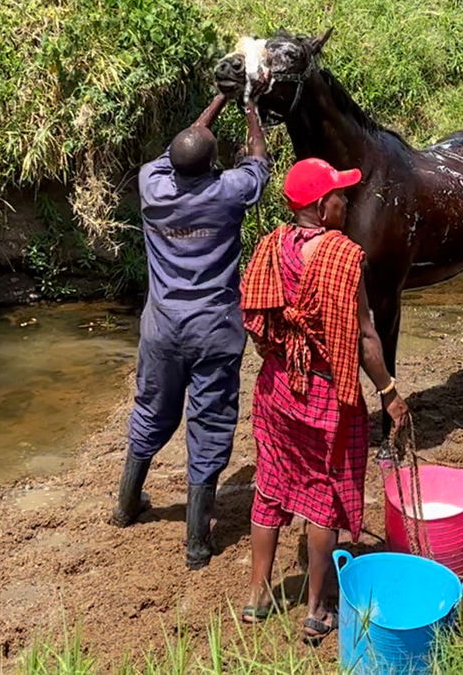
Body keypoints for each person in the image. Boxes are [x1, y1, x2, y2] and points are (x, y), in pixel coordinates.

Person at [237, 158, 412, 644]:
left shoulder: (271, 247)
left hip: (276, 388)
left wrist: (284, 354)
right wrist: (389, 392)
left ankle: (257, 597)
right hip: (324, 395)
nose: (346, 202)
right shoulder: (344, 257)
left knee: (270, 486)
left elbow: (256, 319)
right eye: (339, 196)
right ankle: (317, 609)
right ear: (320, 206)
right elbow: (365, 338)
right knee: (323, 497)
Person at [113, 93, 269, 570]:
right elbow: (259, 161)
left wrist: (216, 99)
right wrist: (248, 107)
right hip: (214, 328)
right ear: (214, 163)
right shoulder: (229, 191)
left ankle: (126, 506)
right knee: (210, 423)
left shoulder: (152, 183)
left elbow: (181, 148)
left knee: (151, 410)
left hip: (161, 327)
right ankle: (197, 544)